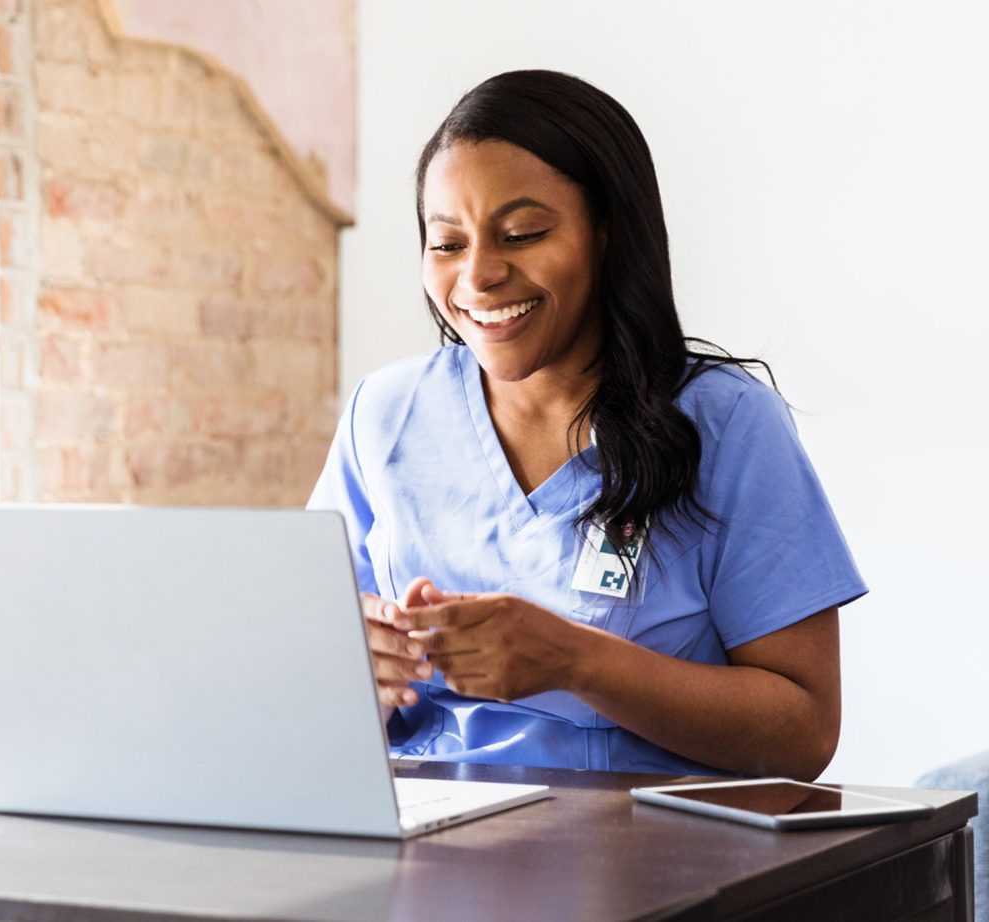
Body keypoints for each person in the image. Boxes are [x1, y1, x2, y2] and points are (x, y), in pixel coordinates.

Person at [309, 70, 867, 779]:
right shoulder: (384, 415)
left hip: (642, 857)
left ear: (608, 234)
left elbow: (805, 733)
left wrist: (575, 660)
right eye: (447, 244)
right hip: (426, 841)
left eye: (521, 233)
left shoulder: (725, 423)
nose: (477, 276)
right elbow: (306, 685)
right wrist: (362, 665)